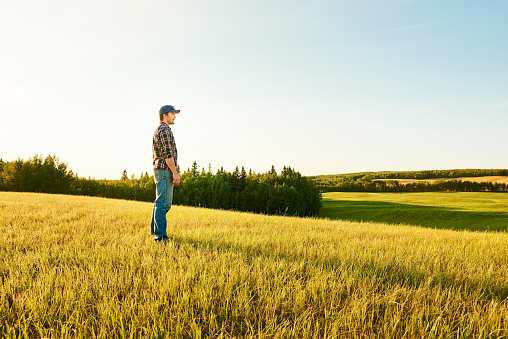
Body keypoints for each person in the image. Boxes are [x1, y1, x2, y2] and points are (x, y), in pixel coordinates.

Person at [151, 104, 181, 242]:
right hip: (164, 170)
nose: (175, 116)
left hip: (160, 170)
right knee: (163, 204)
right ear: (165, 115)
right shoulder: (164, 130)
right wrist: (175, 173)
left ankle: (155, 232)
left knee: (160, 203)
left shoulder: (161, 129)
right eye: (173, 113)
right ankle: (160, 238)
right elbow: (168, 154)